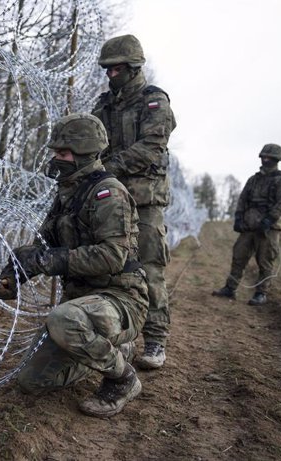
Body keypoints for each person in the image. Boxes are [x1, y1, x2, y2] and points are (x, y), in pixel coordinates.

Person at [0, 113, 149, 418]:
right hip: (82, 302)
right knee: (32, 381)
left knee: (63, 320)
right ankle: (112, 353)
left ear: (84, 153)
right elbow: (41, 244)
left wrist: (50, 261)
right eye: (55, 152)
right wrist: (14, 274)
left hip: (120, 299)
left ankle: (122, 379)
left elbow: (112, 256)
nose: (56, 158)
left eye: (62, 153)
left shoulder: (108, 193)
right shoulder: (68, 193)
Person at [92, 34, 176, 369]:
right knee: (111, 269)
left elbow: (151, 148)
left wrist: (107, 168)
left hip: (144, 202)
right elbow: (92, 141)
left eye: (117, 69)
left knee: (150, 269)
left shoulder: (153, 102)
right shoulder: (104, 105)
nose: (110, 75)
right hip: (110, 201)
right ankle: (121, 337)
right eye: (107, 69)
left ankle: (155, 340)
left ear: (134, 66)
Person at [212, 143, 281, 305]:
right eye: (263, 156)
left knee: (265, 261)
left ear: (277, 159)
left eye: (268, 157)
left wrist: (269, 219)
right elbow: (242, 200)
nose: (265, 159)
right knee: (238, 257)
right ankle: (230, 288)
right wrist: (238, 218)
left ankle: (261, 293)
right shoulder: (253, 179)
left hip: (268, 229)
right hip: (248, 226)